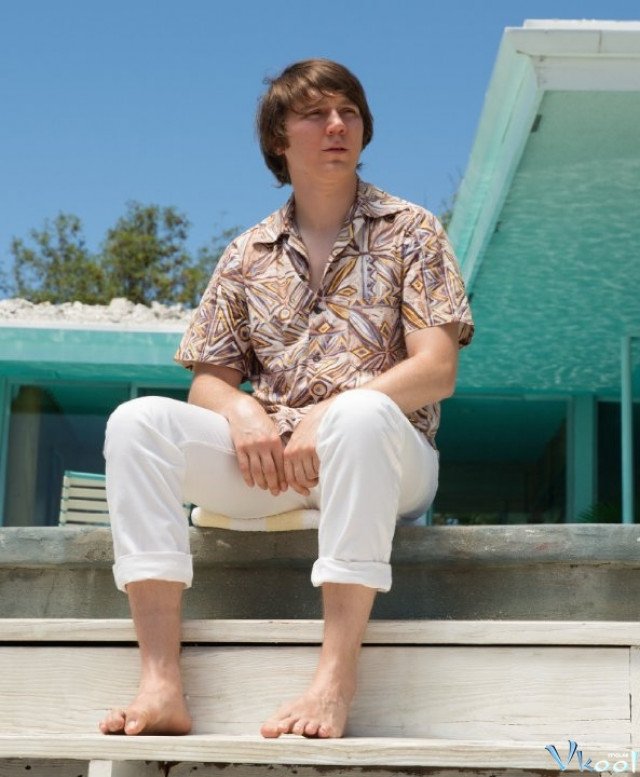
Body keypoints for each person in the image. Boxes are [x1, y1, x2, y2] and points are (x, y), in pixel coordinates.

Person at [99, 58, 474, 739]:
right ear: (279, 138)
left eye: (349, 112)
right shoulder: (247, 253)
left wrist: (329, 412)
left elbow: (437, 369)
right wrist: (241, 410)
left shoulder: (412, 229)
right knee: (137, 423)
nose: (337, 125)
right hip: (276, 466)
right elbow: (207, 380)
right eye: (315, 114)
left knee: (361, 413)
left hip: (387, 459)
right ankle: (160, 683)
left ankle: (335, 679)